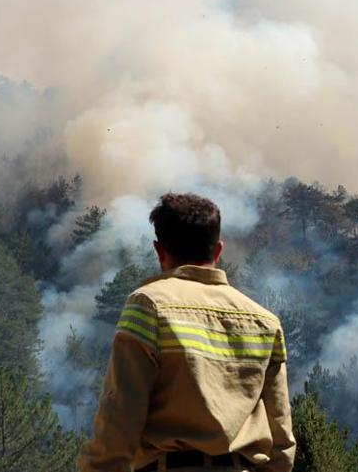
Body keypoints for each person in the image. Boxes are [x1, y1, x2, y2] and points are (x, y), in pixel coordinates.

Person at [78, 193, 295, 472]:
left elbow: (120, 417)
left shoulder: (148, 306)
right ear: (218, 250)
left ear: (159, 251)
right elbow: (282, 439)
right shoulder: (265, 322)